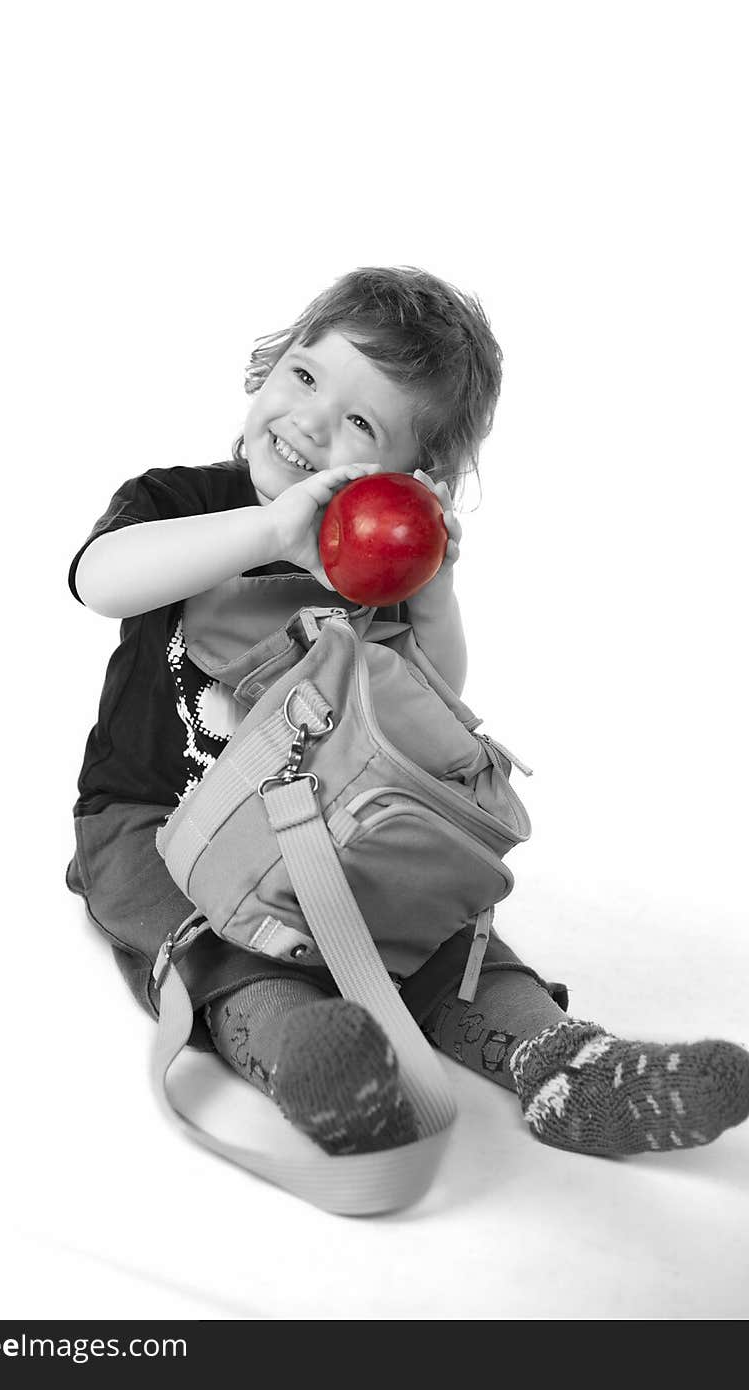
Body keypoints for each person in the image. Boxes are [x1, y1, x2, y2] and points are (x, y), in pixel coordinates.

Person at [67, 265, 749, 1160]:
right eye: (306, 377)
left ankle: (562, 1064)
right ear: (270, 367)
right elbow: (99, 579)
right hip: (153, 822)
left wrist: (433, 588)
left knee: (441, 932)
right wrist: (271, 532)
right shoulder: (182, 503)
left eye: (360, 423)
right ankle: (308, 1058)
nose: (311, 423)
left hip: (318, 822)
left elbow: (433, 696)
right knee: (213, 949)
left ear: (406, 473)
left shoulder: (378, 556)